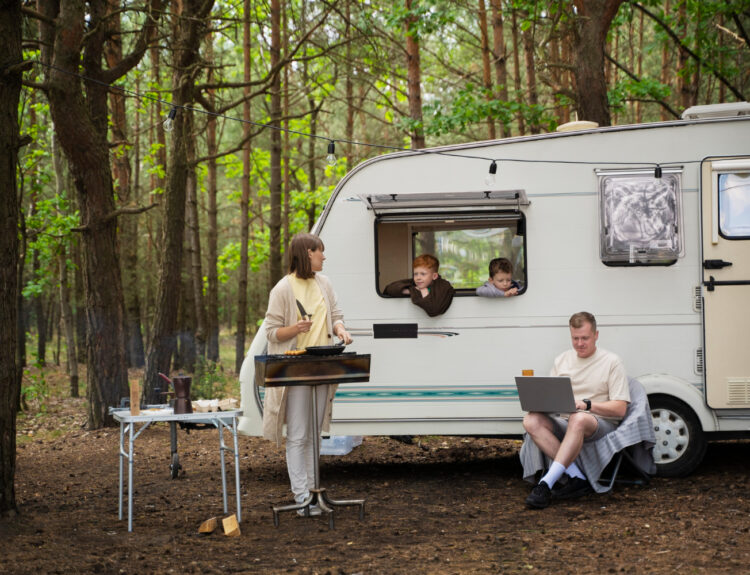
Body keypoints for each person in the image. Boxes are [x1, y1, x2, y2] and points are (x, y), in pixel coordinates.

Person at [262, 233, 353, 515]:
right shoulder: (282, 289)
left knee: (315, 434)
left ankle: (316, 496)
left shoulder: (323, 283)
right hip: (296, 368)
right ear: (307, 254)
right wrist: (296, 329)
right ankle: (302, 499)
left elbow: (336, 315)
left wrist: (340, 329)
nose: (323, 257)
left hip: (322, 365)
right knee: (299, 435)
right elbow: (271, 331)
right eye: (319, 252)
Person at [523, 311, 630, 509]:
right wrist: (541, 403)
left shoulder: (612, 362)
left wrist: (587, 405)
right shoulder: (562, 360)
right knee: (531, 420)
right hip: (565, 419)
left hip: (598, 422)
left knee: (579, 418)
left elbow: (620, 409)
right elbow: (552, 395)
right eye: (575, 338)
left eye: (585, 338)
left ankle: (546, 483)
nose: (580, 343)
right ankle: (577, 477)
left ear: (596, 335)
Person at [383, 254, 455, 317]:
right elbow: (389, 288)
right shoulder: (415, 283)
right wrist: (410, 291)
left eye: (423, 274)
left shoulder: (443, 286)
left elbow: (434, 310)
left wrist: (425, 293)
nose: (418, 278)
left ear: (434, 276)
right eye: (415, 274)